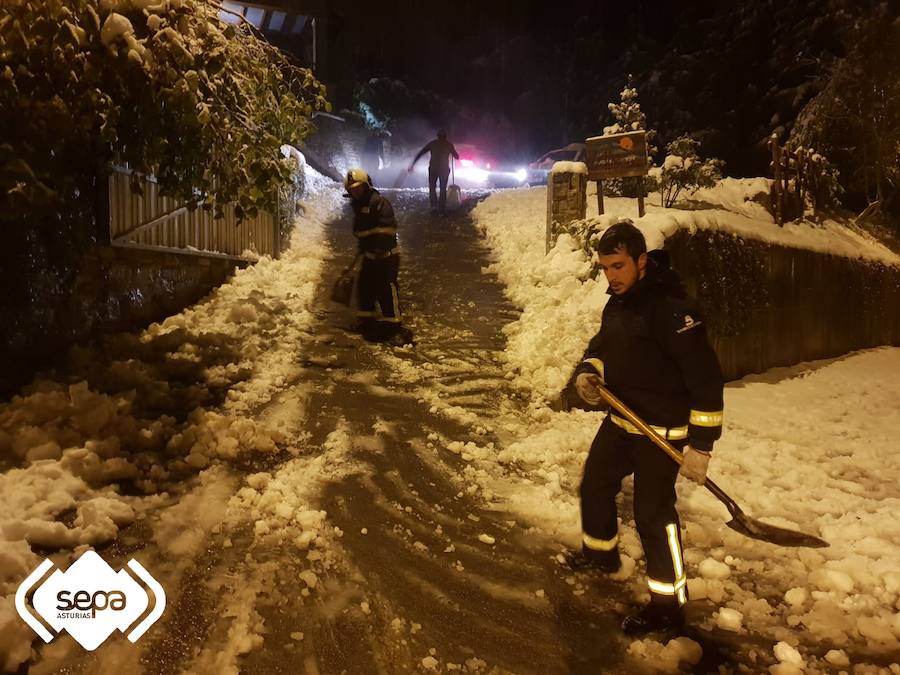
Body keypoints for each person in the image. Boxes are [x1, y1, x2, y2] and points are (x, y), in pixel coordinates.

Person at [569, 220, 724, 636]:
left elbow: (706, 381)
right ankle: (600, 554)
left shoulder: (674, 311)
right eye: (605, 268)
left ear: (641, 261)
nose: (611, 277)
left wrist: (701, 447)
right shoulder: (619, 303)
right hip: (622, 422)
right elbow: (602, 347)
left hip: (661, 434)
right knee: (594, 485)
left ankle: (668, 606)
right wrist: (589, 370)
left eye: (618, 266)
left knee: (653, 518)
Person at [344, 168, 412, 345]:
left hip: (386, 256)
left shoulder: (380, 203)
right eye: (352, 189)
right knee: (365, 287)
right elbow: (361, 231)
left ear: (366, 186)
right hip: (369, 256)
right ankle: (366, 321)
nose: (355, 191)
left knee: (386, 290)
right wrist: (365, 246)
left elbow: (388, 228)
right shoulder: (358, 205)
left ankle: (394, 326)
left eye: (358, 187)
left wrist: (376, 246)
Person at [408, 129, 459, 213]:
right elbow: (457, 157)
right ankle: (442, 207)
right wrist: (453, 151)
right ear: (445, 137)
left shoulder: (432, 143)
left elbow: (420, 153)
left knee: (432, 187)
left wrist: (412, 165)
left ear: (437, 136)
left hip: (433, 169)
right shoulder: (449, 144)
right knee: (443, 188)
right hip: (444, 169)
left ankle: (434, 206)